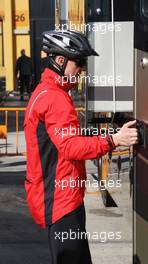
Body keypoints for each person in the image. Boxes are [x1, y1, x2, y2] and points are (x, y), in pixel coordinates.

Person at [24, 30, 138, 264]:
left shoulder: (49, 92)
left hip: (63, 197)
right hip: (61, 201)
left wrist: (108, 133)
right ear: (60, 60)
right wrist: (114, 140)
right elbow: (70, 146)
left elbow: (67, 136)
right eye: (80, 62)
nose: (83, 69)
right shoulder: (54, 98)